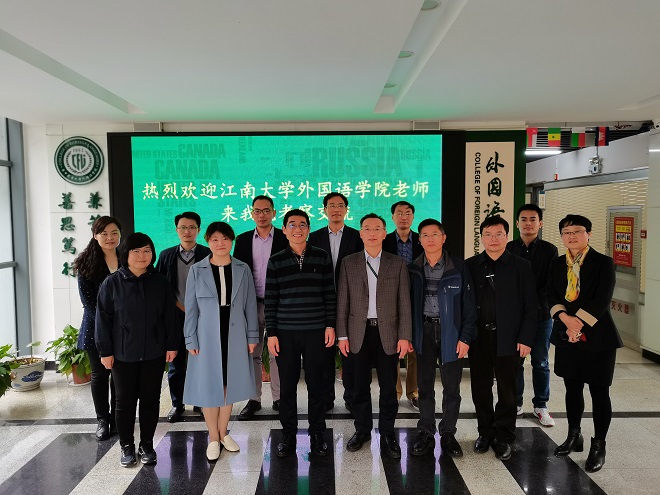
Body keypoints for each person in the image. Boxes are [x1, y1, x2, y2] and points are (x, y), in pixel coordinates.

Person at [96, 233, 178, 467]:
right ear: (126, 254)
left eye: (147, 251)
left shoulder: (160, 282)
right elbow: (103, 320)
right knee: (124, 402)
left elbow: (170, 317)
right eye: (136, 251)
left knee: (151, 400)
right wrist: (105, 352)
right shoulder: (112, 283)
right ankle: (126, 445)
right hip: (123, 354)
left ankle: (147, 445)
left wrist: (172, 345)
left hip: (154, 351)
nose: (142, 256)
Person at [549, 214, 623, 472]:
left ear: (588, 234)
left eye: (577, 231)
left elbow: (603, 298)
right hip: (566, 336)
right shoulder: (557, 263)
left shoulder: (603, 263)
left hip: (599, 337)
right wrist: (565, 319)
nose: (571, 236)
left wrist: (577, 323)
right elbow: (551, 295)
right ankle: (574, 435)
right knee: (572, 389)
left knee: (599, 392)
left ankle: (599, 444)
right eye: (566, 232)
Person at [337, 213, 412, 459]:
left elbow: (404, 302)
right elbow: (343, 301)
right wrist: (342, 335)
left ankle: (388, 433)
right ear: (360, 233)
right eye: (367, 228)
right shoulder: (348, 262)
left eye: (377, 228)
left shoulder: (397, 263)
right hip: (357, 332)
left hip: (388, 332)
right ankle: (362, 430)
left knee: (389, 387)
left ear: (384, 233)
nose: (372, 233)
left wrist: (404, 336)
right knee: (359, 386)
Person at [183, 222, 259, 461]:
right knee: (210, 386)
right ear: (207, 241)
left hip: (235, 333)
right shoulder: (197, 270)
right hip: (206, 335)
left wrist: (252, 336)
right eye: (215, 239)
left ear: (231, 241)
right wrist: (190, 338)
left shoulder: (243, 268)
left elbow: (250, 305)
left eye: (225, 239)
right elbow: (191, 309)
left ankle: (224, 432)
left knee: (229, 384)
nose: (220, 243)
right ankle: (213, 437)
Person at [265, 209, 336, 458]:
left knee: (317, 385)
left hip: (317, 331)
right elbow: (271, 299)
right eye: (292, 225)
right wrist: (271, 333)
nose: (298, 229)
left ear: (308, 229)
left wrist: (330, 325)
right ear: (284, 230)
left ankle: (317, 433)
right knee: (287, 387)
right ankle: (288, 435)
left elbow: (329, 294)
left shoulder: (321, 256)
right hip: (286, 333)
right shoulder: (276, 260)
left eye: (303, 224)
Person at [465, 216, 537, 461]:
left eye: (498, 234)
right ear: (481, 238)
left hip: (510, 338)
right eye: (488, 234)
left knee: (508, 389)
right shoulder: (471, 265)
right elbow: (464, 304)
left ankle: (505, 436)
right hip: (479, 337)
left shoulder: (521, 266)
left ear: (507, 236)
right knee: (480, 387)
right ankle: (485, 432)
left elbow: (531, 306)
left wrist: (526, 338)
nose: (493, 239)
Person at [408, 219, 478, 458]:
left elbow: (469, 306)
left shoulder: (458, 267)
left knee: (452, 387)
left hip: (451, 333)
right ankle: (426, 431)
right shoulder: (413, 268)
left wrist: (465, 337)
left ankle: (448, 432)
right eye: (425, 235)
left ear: (443, 237)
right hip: (424, 332)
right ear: (419, 239)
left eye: (434, 234)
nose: (430, 239)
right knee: (424, 386)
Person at [233, 195, 288, 420]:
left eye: (266, 211)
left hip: (279, 304)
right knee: (252, 353)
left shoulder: (284, 238)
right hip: (252, 304)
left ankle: (279, 398)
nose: (262, 215)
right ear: (251, 213)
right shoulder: (243, 239)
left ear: (274, 213)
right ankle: (254, 399)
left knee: (277, 353)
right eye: (257, 211)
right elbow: (237, 272)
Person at [308, 192, 363, 413]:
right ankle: (326, 398)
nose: (336, 209)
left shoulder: (357, 236)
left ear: (346, 210)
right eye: (331, 205)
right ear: (324, 210)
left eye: (340, 205)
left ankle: (351, 397)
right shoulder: (314, 237)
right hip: (322, 303)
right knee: (325, 354)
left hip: (351, 303)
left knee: (350, 353)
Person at [156, 212, 211, 423]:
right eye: (183, 227)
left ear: (198, 230)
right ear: (177, 230)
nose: (187, 231)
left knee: (201, 361)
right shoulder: (166, 255)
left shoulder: (208, 253)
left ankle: (200, 401)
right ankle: (177, 404)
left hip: (203, 315)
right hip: (175, 315)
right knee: (176, 363)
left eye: (192, 227)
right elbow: (160, 286)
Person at [506, 204, 558, 426]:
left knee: (541, 361)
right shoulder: (508, 248)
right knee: (515, 362)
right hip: (515, 317)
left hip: (541, 316)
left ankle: (541, 405)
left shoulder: (549, 250)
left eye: (533, 219)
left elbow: (550, 284)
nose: (528, 223)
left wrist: (533, 306)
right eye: (524, 219)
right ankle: (516, 402)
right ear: (517, 223)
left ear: (540, 223)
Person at [73, 216, 122, 441]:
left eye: (114, 233)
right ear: (95, 235)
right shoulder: (86, 264)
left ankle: (117, 418)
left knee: (119, 377)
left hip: (124, 330)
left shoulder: (127, 257)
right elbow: (89, 303)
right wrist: (109, 324)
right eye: (104, 234)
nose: (110, 238)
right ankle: (102, 419)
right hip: (96, 329)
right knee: (100, 375)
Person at [383, 200, 423, 408]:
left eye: (407, 213)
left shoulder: (422, 240)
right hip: (390, 298)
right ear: (392, 217)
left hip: (417, 298)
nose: (403, 217)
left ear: (413, 217)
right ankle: (395, 392)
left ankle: (414, 392)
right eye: (399, 213)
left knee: (415, 348)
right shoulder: (385, 241)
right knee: (392, 348)